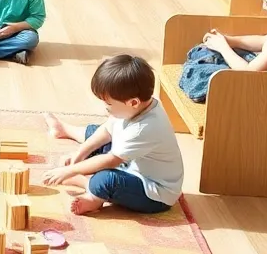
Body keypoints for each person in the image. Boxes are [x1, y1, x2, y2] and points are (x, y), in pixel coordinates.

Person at [42, 54, 183, 216]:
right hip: (129, 164)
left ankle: (92, 193)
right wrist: (80, 152)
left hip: (153, 193)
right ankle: (65, 130)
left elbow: (110, 160)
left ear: (133, 102)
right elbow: (107, 129)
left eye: (109, 104)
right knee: (96, 133)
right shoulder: (141, 105)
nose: (106, 108)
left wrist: (71, 170)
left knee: (105, 179)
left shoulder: (145, 128)